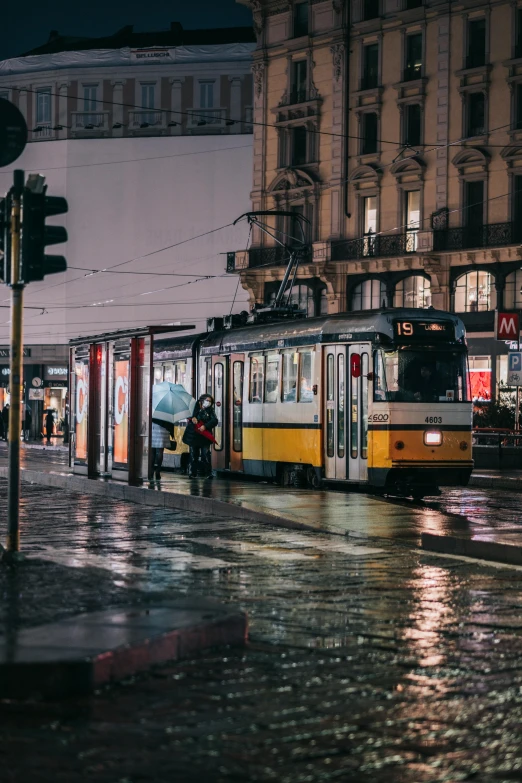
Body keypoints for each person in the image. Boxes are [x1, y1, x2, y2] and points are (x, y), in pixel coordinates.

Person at [182, 394, 218, 479]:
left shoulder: (210, 410)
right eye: (207, 400)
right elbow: (188, 415)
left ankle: (208, 473)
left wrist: (205, 426)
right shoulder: (194, 408)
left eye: (210, 401)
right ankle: (192, 473)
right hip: (193, 436)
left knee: (205, 454)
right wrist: (192, 418)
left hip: (204, 436)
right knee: (193, 455)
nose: (208, 403)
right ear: (202, 400)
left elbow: (214, 420)